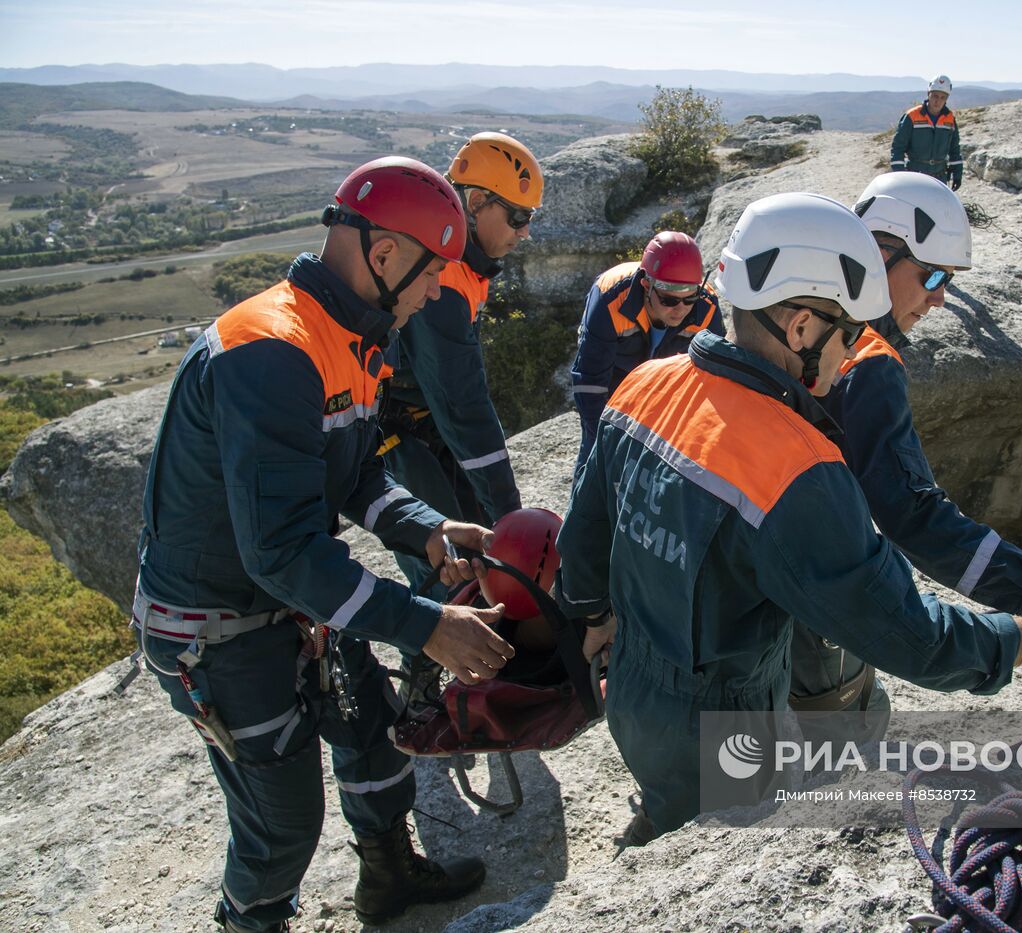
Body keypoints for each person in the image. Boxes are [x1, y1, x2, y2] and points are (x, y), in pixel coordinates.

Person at [556, 192, 1022, 845]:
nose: (854, 350)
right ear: (800, 327)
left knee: (679, 802)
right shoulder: (797, 469)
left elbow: (584, 535)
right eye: (850, 332)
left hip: (632, 693)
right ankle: (659, 835)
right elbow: (914, 637)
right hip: (728, 733)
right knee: (729, 838)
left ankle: (658, 815)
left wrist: (597, 618)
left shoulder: (646, 384)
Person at [131, 157, 517, 933]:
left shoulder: (348, 334)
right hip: (218, 626)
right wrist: (428, 625)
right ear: (383, 256)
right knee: (283, 824)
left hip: (277, 599)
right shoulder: (272, 352)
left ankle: (388, 878)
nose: (438, 290)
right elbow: (281, 550)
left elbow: (353, 475)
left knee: (374, 730)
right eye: (432, 272)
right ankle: (252, 920)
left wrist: (428, 529)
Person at [788, 171, 1022, 738]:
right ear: (878, 254)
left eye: (946, 281)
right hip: (805, 609)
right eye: (931, 275)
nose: (939, 297)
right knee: (844, 736)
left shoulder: (789, 323)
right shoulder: (866, 362)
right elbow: (913, 515)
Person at [380, 132, 542, 600]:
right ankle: (431, 664)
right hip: (397, 432)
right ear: (475, 202)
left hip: (420, 419)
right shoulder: (444, 277)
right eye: (518, 217)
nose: (524, 231)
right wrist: (513, 518)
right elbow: (463, 407)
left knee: (479, 547)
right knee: (447, 577)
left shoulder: (460, 260)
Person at [569, 230, 725, 477]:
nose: (681, 309)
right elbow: (590, 384)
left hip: (668, 381)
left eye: (689, 298)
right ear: (646, 286)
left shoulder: (705, 309)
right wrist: (606, 441)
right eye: (669, 300)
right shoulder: (610, 299)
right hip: (615, 376)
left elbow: (714, 385)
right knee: (597, 454)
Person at [891, 76, 964, 190]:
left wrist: (957, 175)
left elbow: (954, 149)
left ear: (946, 99)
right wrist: (900, 174)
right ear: (928, 94)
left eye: (942, 97)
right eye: (935, 96)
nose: (938, 101)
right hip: (915, 176)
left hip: (940, 177)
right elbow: (898, 147)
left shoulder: (949, 119)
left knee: (938, 207)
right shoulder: (912, 116)